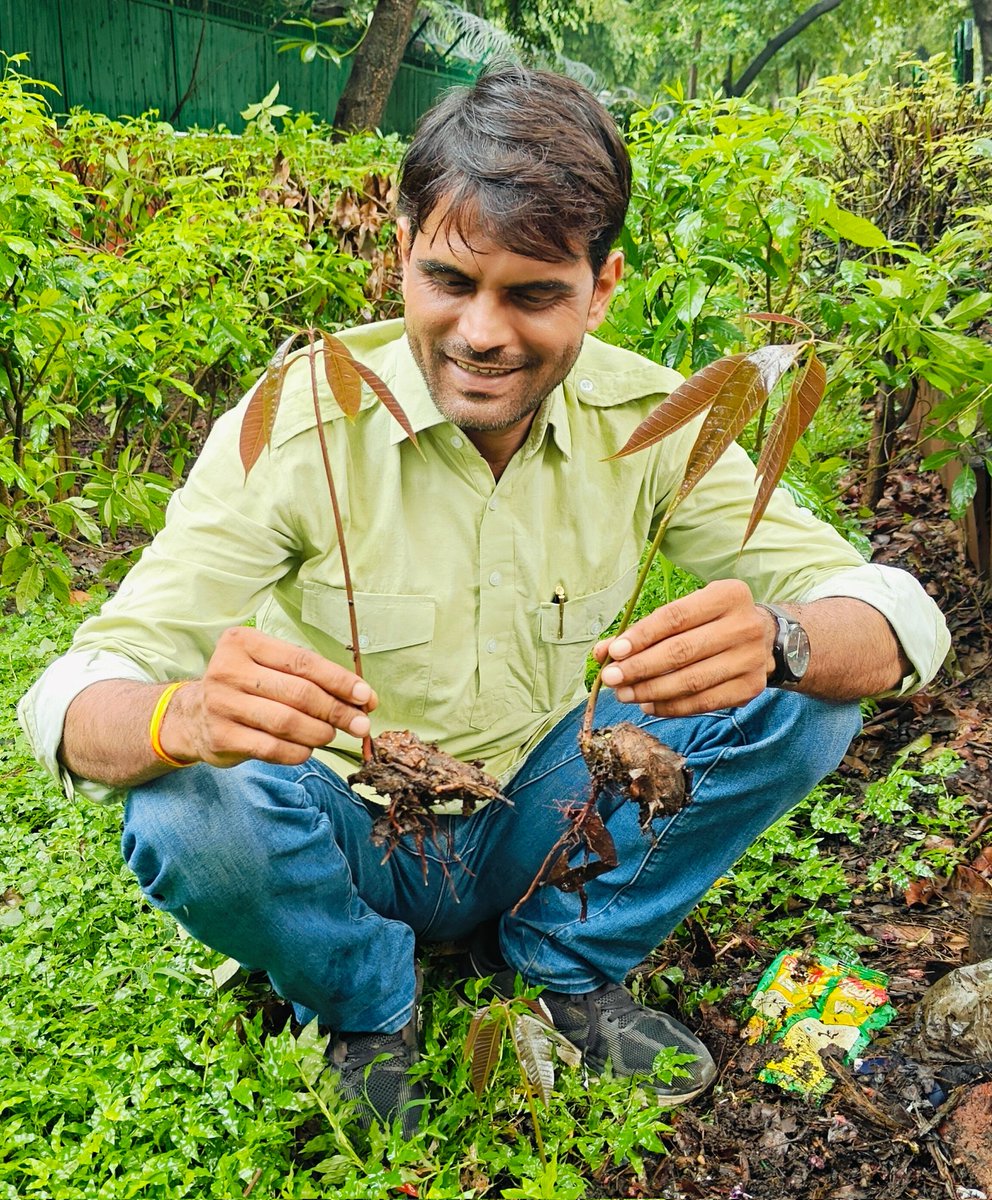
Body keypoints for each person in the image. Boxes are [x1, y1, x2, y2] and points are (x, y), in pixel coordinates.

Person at [19, 65, 949, 1138]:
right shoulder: (296, 428)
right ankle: (366, 1004)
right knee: (182, 798)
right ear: (400, 252)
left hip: (540, 813)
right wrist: (178, 715)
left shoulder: (655, 420)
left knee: (808, 690)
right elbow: (74, 691)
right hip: (344, 825)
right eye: (450, 281)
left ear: (601, 286)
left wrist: (782, 639)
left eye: (533, 294)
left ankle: (566, 961)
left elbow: (888, 611)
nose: (481, 333)